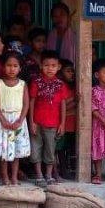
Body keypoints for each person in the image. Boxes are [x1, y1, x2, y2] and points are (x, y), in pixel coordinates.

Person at [28, 50, 70, 186]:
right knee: (36, 149)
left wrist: (62, 123)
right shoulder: (36, 82)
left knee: (50, 149)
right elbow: (32, 102)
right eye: (46, 65)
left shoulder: (61, 84)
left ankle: (48, 174)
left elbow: (63, 104)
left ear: (58, 67)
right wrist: (31, 121)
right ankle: (39, 175)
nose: (49, 68)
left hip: (53, 123)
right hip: (37, 122)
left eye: (53, 65)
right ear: (41, 66)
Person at [0, 51, 31, 186]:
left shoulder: (23, 84)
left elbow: (26, 104)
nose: (12, 69)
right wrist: (2, 120)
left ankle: (14, 177)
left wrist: (20, 120)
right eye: (9, 65)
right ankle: (5, 177)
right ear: (3, 66)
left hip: (17, 122)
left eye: (15, 66)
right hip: (3, 121)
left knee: (16, 152)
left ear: (20, 68)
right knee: (4, 152)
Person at [57, 58, 78, 177]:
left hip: (74, 124)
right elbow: (60, 106)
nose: (72, 74)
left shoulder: (75, 86)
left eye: (72, 71)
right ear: (61, 73)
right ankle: (63, 170)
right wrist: (74, 100)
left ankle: (72, 171)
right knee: (61, 149)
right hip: (63, 123)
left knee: (72, 149)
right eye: (68, 71)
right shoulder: (60, 86)